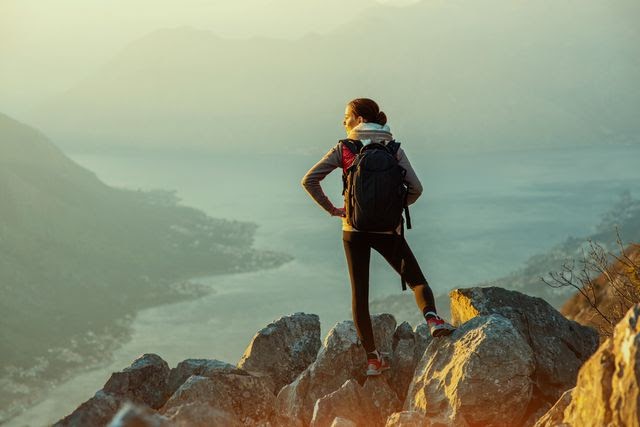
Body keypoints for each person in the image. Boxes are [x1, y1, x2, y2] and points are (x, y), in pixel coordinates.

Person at [301, 98, 456, 376]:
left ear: (359, 119)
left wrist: (335, 210)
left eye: (347, 116)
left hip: (353, 231)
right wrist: (393, 207)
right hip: (388, 230)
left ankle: (373, 360)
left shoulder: (345, 148)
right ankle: (433, 319)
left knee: (360, 295)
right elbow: (416, 188)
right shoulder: (392, 148)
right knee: (416, 280)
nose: (343, 121)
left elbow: (309, 180)